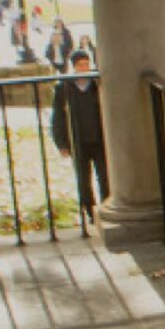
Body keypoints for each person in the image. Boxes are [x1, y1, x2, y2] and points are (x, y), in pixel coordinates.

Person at [49, 49, 107, 211]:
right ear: (74, 66)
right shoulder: (64, 88)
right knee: (83, 178)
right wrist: (61, 142)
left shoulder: (96, 84)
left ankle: (106, 206)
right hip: (78, 139)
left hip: (98, 138)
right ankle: (88, 209)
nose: (85, 68)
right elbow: (58, 117)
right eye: (81, 65)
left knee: (104, 176)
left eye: (87, 64)